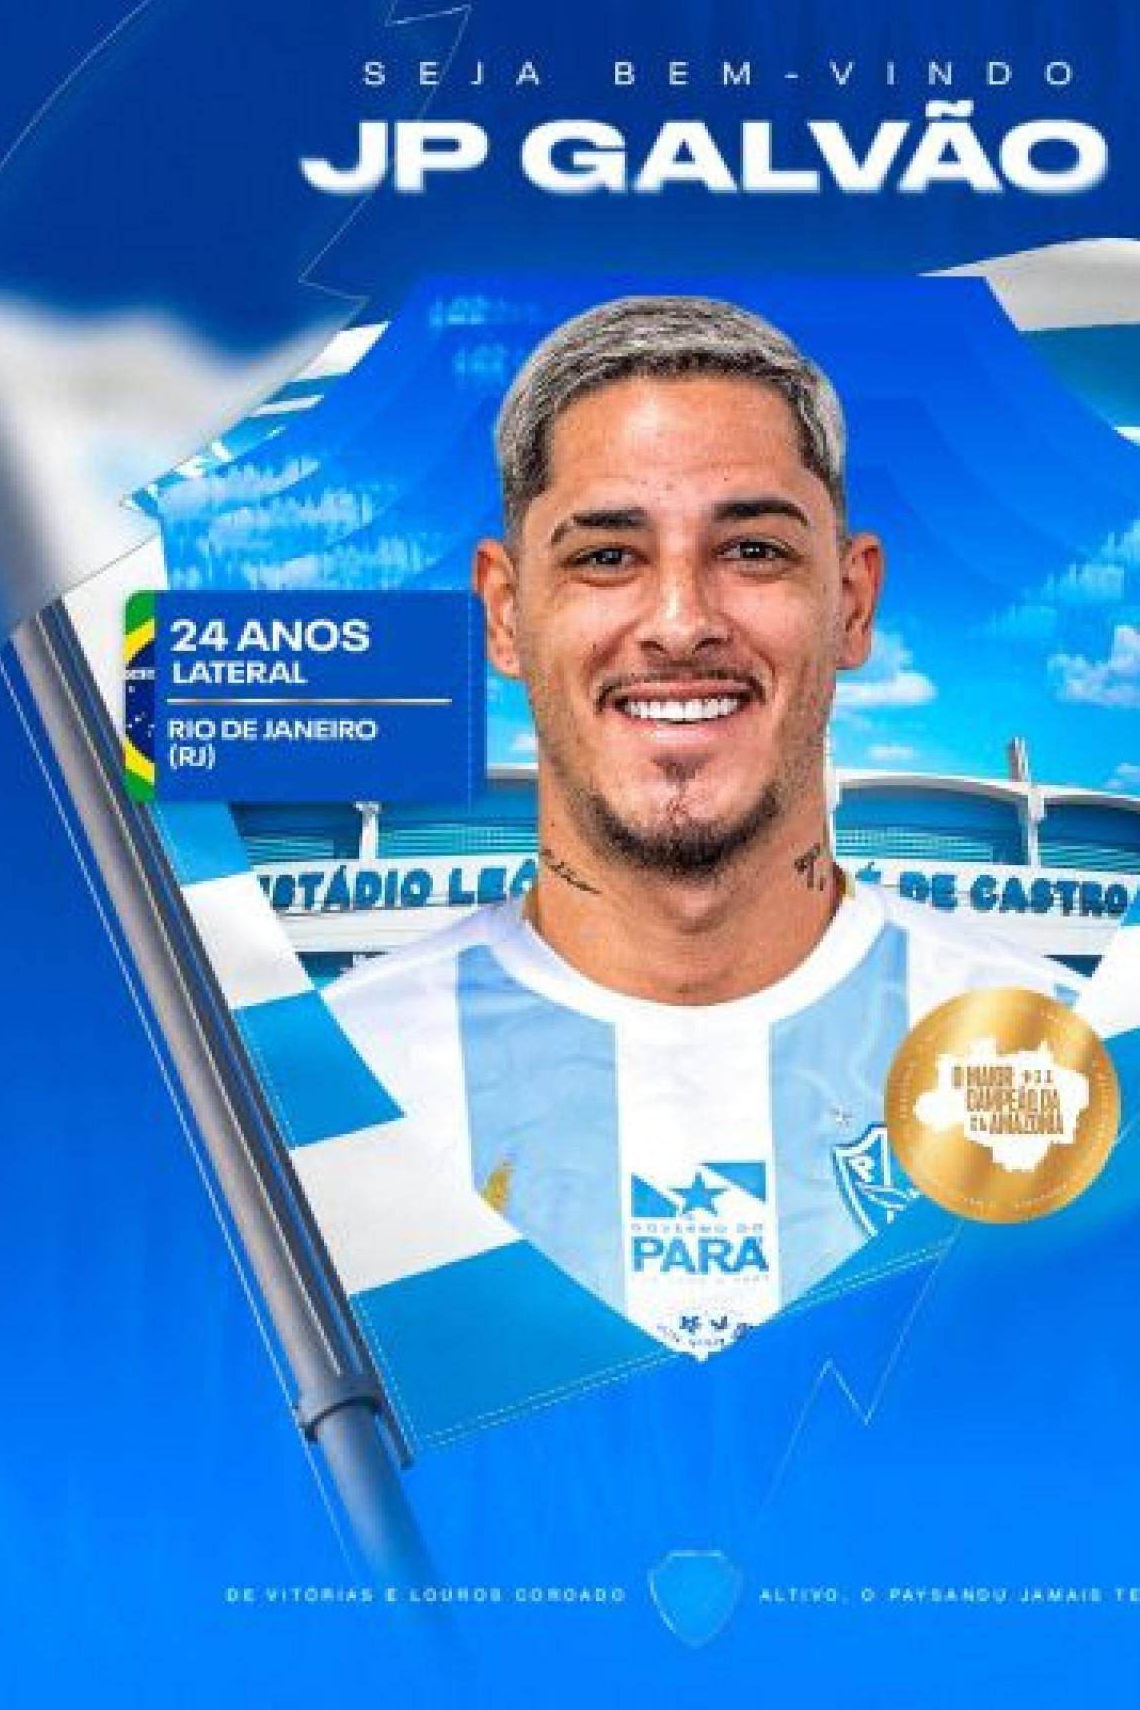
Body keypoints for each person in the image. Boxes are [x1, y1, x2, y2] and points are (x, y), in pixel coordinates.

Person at [318, 295, 1074, 1360]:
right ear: (504, 612)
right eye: (606, 557)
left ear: (853, 603)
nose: (681, 623)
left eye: (753, 550)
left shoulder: (1069, 1059)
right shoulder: (333, 1086)